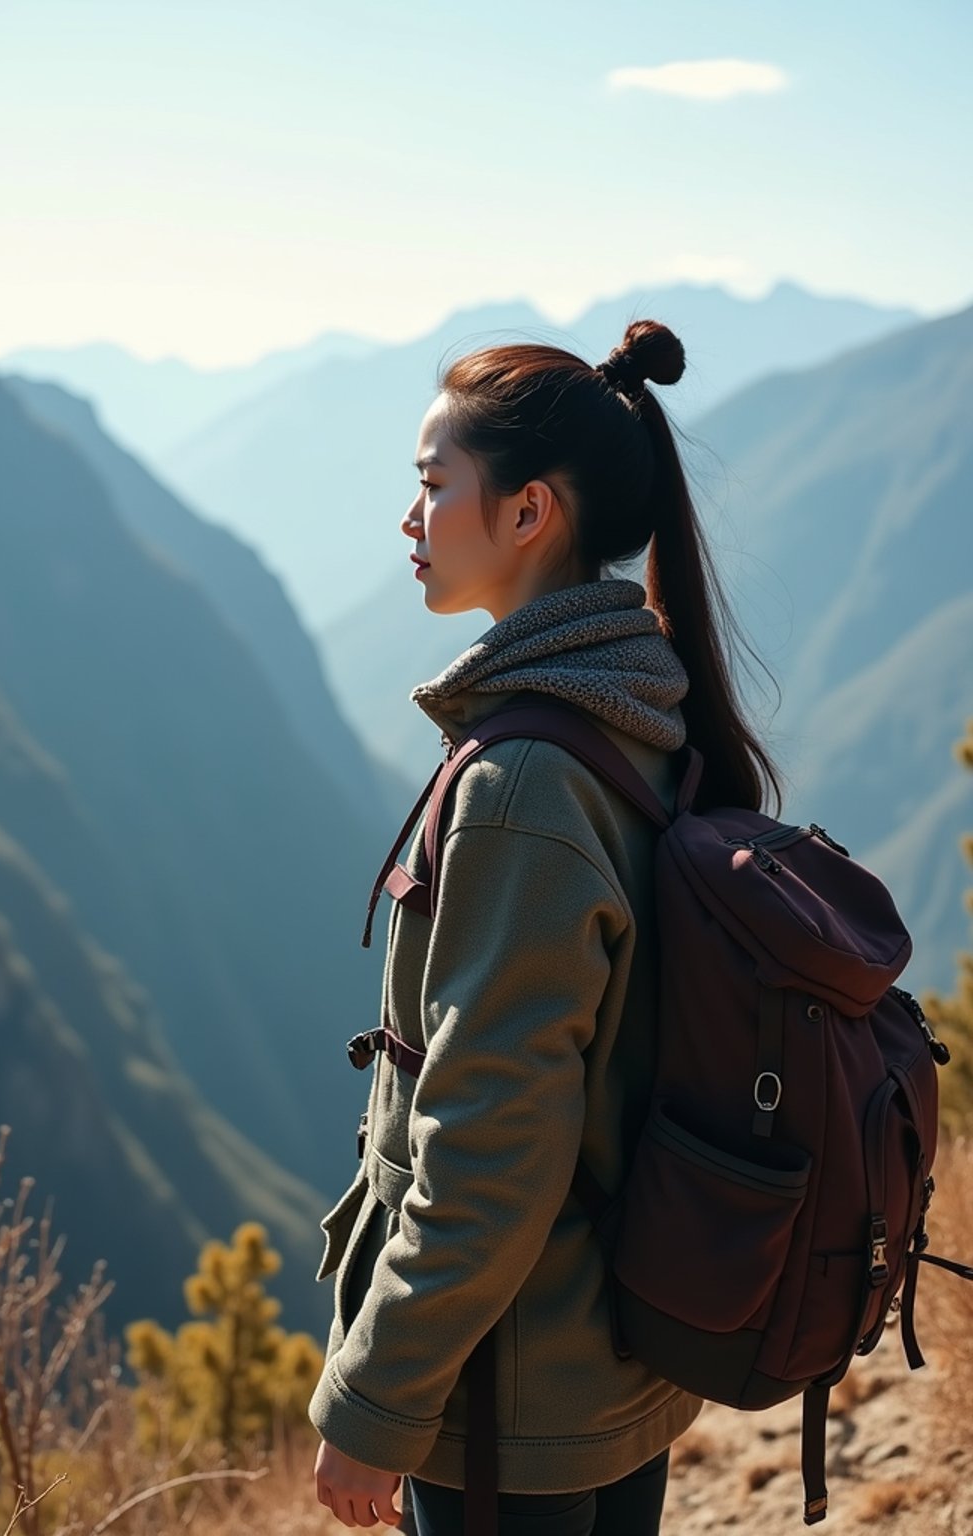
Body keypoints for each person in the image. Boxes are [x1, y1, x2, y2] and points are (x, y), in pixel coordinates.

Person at [309, 319, 784, 1534]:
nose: (408, 521)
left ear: (528, 516)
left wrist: (375, 1402)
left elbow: (491, 1138)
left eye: (432, 487)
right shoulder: (637, 712)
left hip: (504, 1404)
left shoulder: (520, 782)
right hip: (606, 1356)